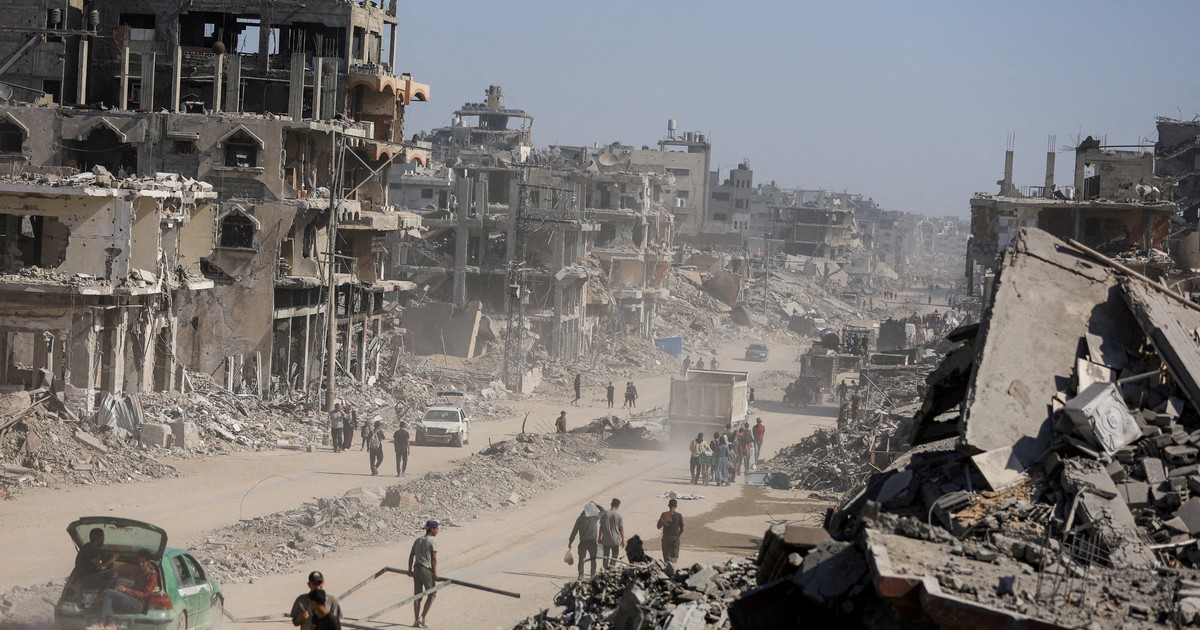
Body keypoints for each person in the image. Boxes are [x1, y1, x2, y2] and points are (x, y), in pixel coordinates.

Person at [94, 550, 158, 630]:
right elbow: (135, 588)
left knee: (109, 593)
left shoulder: (152, 575)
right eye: (139, 562)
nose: (140, 564)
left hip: (139, 604)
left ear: (148, 562)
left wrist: (126, 590)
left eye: (143, 562)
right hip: (132, 600)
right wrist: (122, 589)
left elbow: (145, 594)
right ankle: (111, 624)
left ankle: (101, 623)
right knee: (105, 595)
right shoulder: (139, 573)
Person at [408, 520, 440, 628]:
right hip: (425, 569)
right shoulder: (432, 541)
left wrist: (409, 570)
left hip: (416, 569)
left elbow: (411, 556)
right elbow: (434, 559)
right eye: (437, 529)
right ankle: (423, 618)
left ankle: (416, 620)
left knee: (417, 595)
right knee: (432, 593)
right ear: (432, 529)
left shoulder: (418, 540)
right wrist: (435, 574)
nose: (438, 531)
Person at [567, 502, 602, 578]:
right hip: (592, 542)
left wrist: (570, 541)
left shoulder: (580, 519)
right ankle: (592, 574)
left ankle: (580, 575)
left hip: (583, 543)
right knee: (593, 559)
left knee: (581, 559)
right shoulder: (594, 517)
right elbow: (604, 512)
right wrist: (597, 505)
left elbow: (574, 531)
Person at [656, 499, 685, 565]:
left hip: (666, 537)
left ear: (668, 505)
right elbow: (682, 528)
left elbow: (658, 526)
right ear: (676, 506)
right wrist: (678, 536)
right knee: (674, 557)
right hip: (675, 538)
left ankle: (667, 568)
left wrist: (663, 522)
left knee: (666, 558)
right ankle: (673, 568)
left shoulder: (664, 514)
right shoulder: (679, 515)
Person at [599, 498, 625, 569]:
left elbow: (601, 527)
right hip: (615, 539)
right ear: (618, 506)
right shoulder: (619, 515)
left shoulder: (605, 514)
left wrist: (599, 538)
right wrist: (623, 540)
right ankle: (611, 567)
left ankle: (605, 568)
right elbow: (621, 529)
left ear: (611, 504)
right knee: (615, 554)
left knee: (605, 555)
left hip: (606, 539)